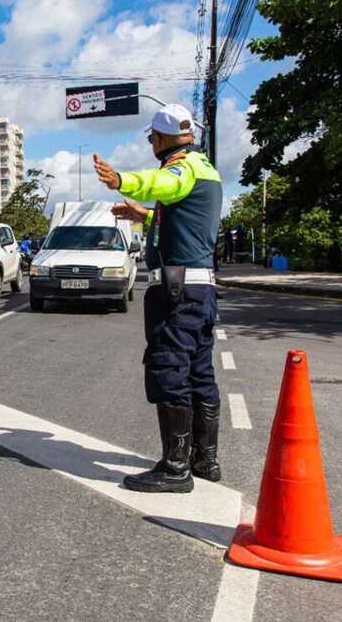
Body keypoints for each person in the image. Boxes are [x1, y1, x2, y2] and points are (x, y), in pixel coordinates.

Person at [94, 103, 223, 494]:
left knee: (169, 370)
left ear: (163, 138)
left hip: (179, 291)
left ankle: (175, 468)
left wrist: (120, 179)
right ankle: (204, 459)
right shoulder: (205, 169)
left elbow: (163, 184)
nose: (151, 142)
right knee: (200, 374)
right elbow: (184, 220)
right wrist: (145, 217)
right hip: (200, 288)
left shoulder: (180, 169)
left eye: (152, 137)